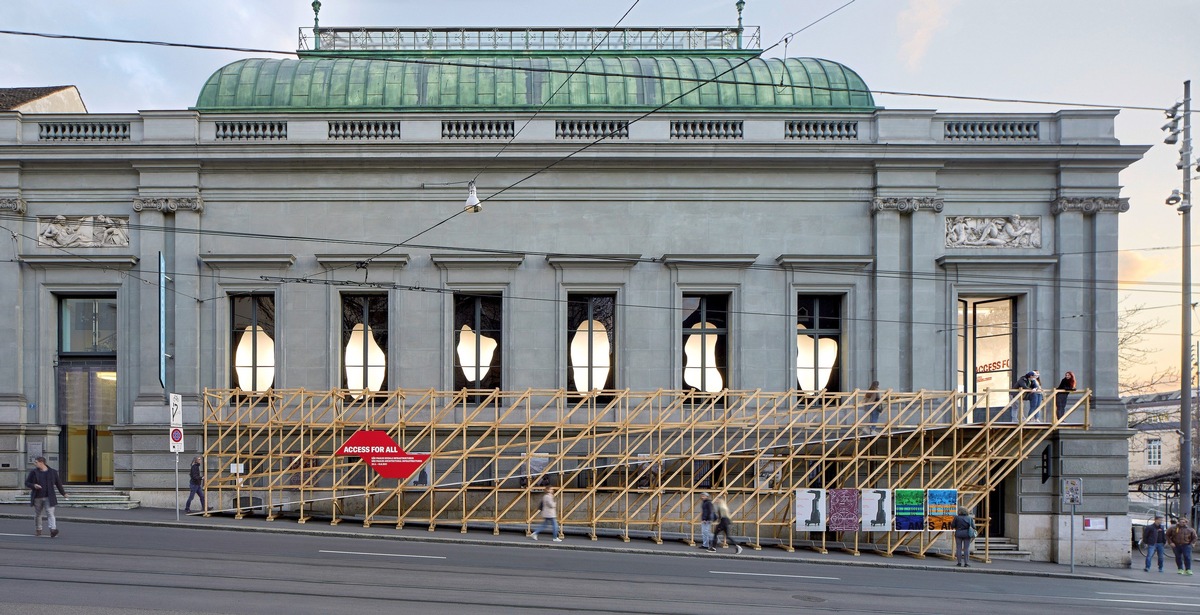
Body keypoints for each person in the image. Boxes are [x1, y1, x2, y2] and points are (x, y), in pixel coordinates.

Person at [24, 456, 68, 538]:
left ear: (41, 462)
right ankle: (38, 529)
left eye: (36, 462)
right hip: (37, 497)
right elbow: (27, 483)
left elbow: (58, 484)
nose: (35, 464)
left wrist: (63, 493)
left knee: (50, 513)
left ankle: (53, 530)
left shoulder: (53, 472)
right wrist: (34, 485)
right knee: (38, 514)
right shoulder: (34, 472)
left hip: (49, 497)